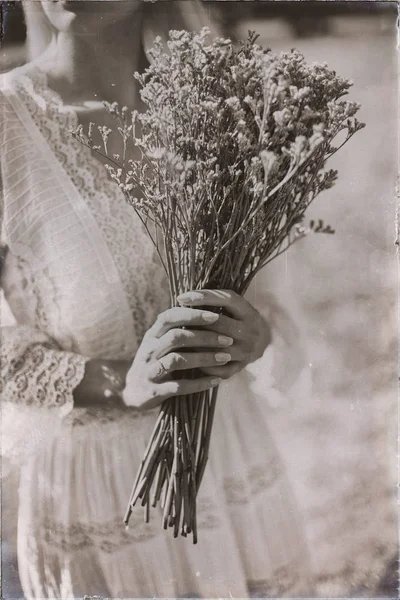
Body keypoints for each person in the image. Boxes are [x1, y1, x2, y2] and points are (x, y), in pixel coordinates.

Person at [0, 1, 312, 597]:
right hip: (101, 500)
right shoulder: (6, 121)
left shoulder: (228, 114)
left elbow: (273, 304)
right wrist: (123, 380)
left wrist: (253, 334)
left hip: (230, 458)